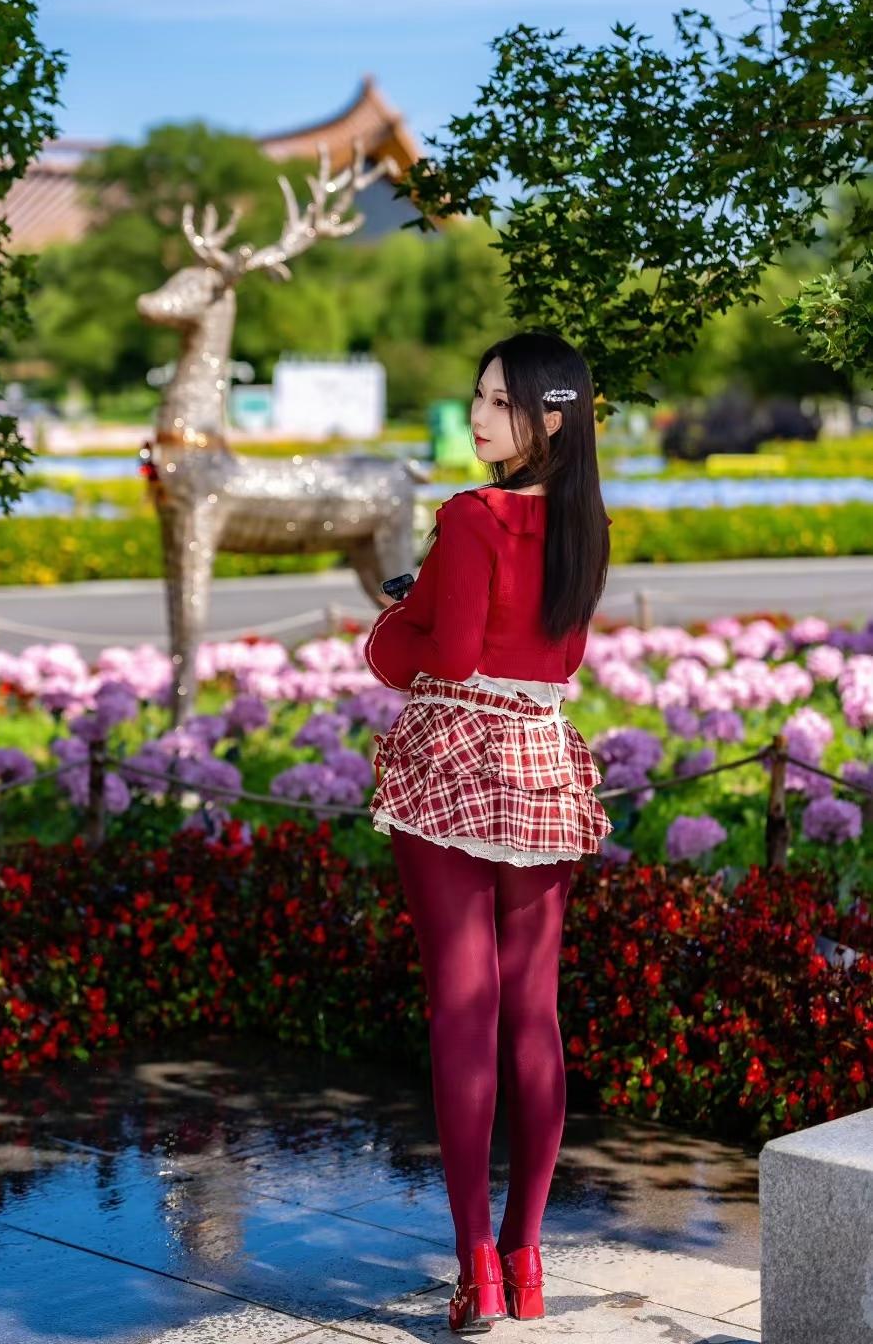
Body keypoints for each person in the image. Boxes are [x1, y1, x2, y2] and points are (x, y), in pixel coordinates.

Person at [363, 329, 614, 1334]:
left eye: (495, 402)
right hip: (543, 761)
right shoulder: (585, 522)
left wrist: (401, 614)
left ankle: (476, 1267)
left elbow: (439, 655)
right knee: (534, 1017)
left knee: (461, 1011)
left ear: (547, 417)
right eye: (475, 398)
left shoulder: (470, 518)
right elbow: (565, 656)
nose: (474, 417)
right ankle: (528, 1258)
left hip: (454, 765)